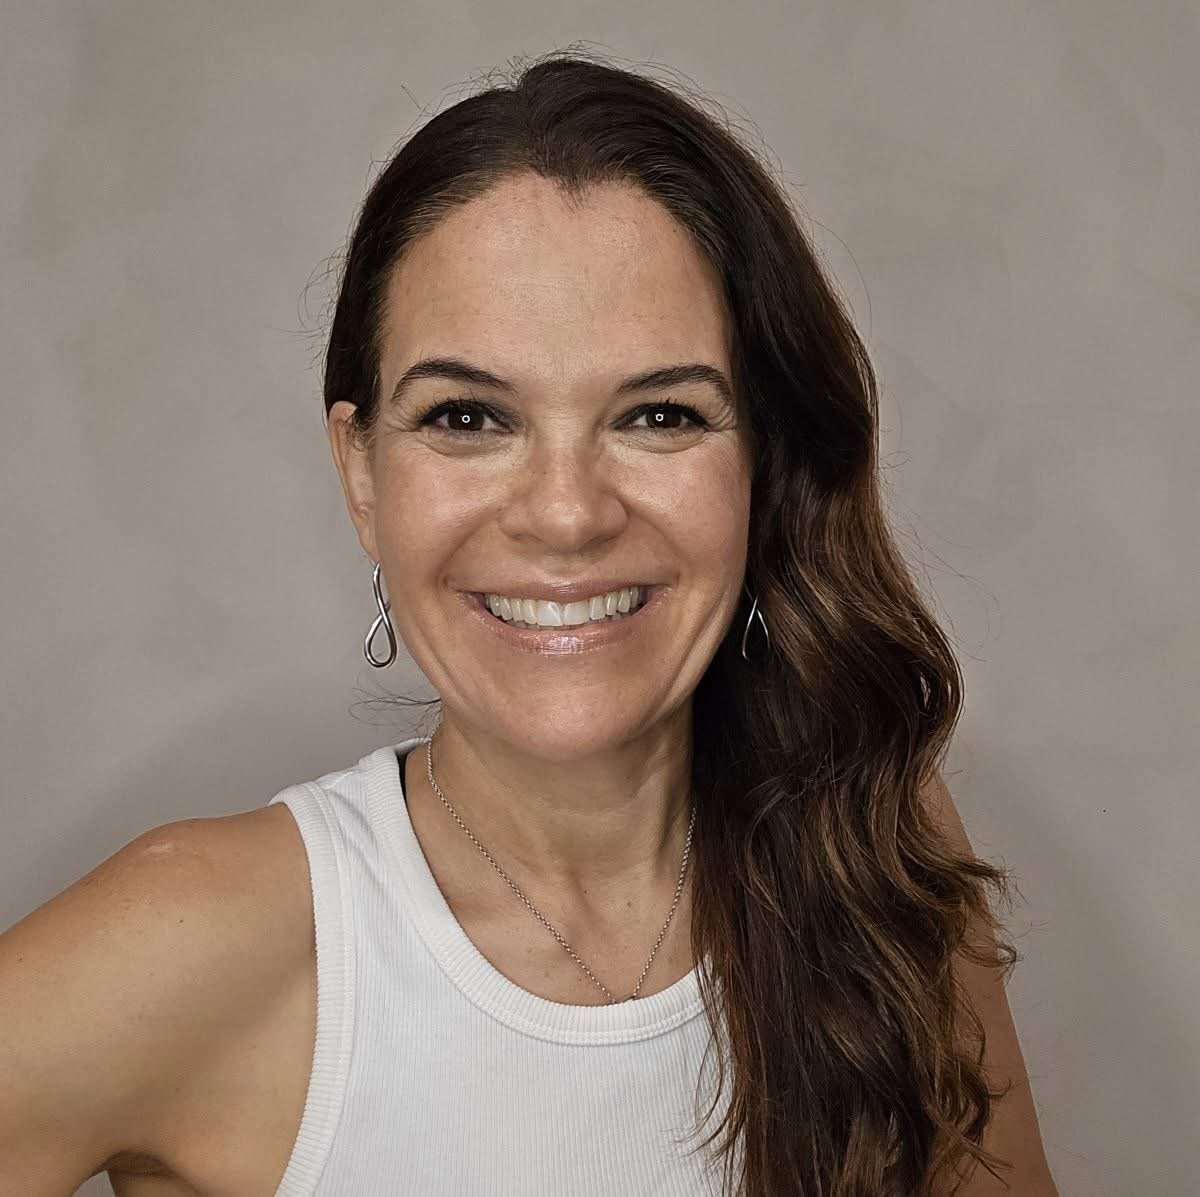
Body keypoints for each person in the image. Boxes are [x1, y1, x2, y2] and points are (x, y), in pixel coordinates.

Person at [0, 50, 1059, 1197]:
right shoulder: (200, 937)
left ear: (766, 464)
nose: (566, 515)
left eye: (661, 414)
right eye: (467, 416)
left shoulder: (867, 845)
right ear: (363, 473)